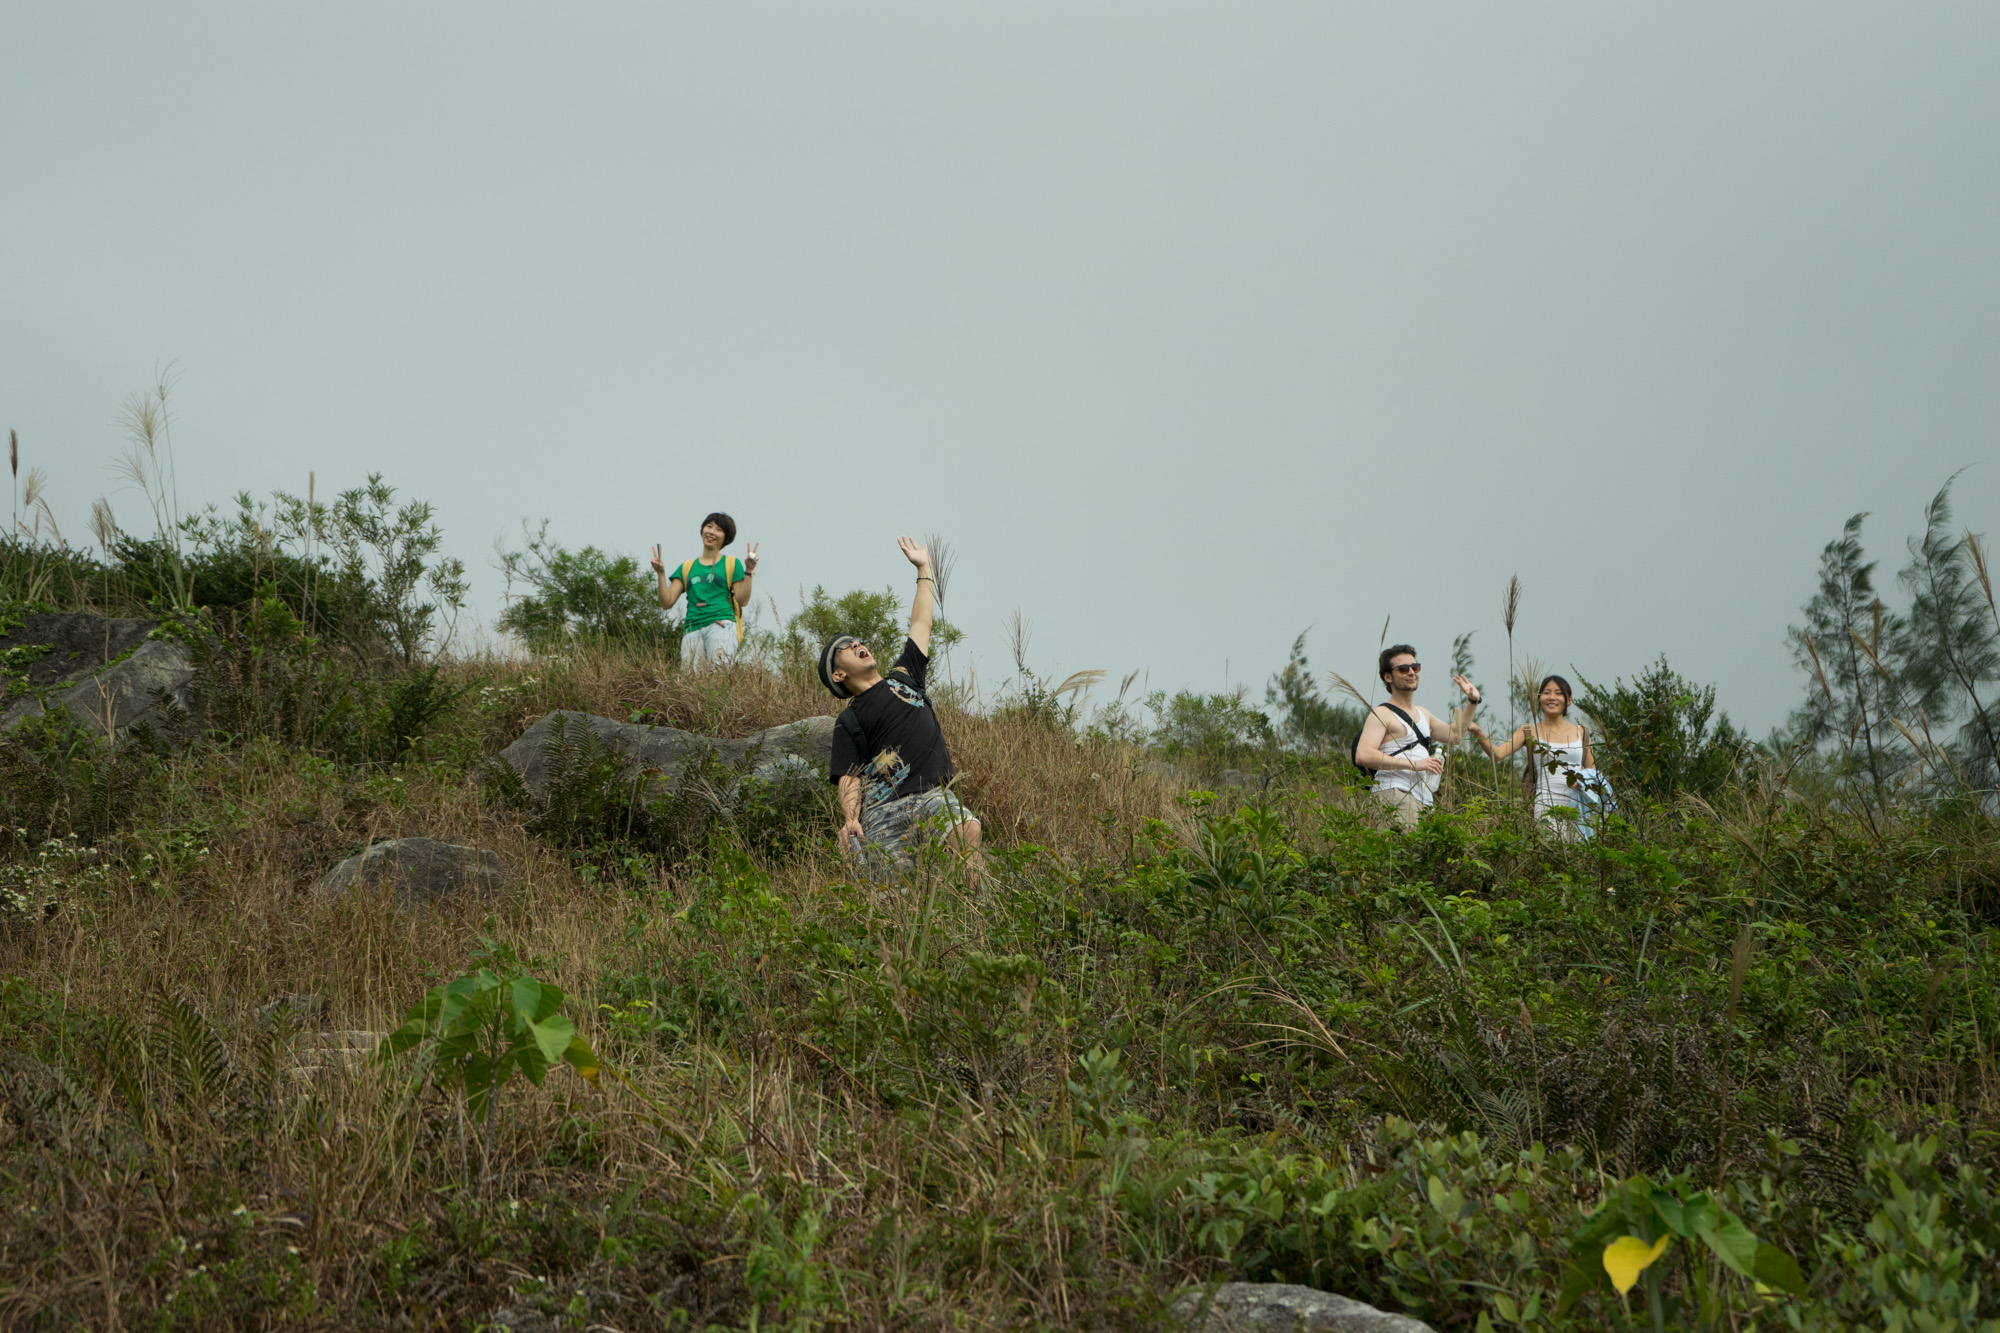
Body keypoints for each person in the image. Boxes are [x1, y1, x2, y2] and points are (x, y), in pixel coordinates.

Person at [818, 536, 982, 884]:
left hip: (933, 795)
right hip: (883, 811)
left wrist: (924, 570)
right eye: (845, 646)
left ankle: (976, 908)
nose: (857, 643)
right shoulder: (849, 720)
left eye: (857, 640)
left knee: (966, 830)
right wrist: (851, 819)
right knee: (894, 894)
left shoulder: (905, 676)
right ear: (838, 675)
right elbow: (849, 776)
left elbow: (920, 624)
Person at [1353, 644, 1482, 830]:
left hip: (1424, 799)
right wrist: (1415, 764)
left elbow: (1455, 735)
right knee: (1400, 848)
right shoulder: (1381, 714)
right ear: (1388, 677)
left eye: (1415, 667)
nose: (1411, 672)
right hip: (1394, 793)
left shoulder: (1423, 713)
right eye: (1403, 669)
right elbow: (1363, 755)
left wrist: (1473, 701)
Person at [1469, 674, 1595, 838]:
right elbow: (1497, 754)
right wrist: (1478, 732)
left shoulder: (1582, 732)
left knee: (1580, 851)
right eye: (1546, 692)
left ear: (1569, 700)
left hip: (1579, 807)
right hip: (1546, 808)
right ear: (1539, 698)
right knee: (1550, 851)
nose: (1552, 697)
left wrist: (1583, 783)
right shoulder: (1529, 731)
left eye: (1558, 693)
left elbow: (1593, 773)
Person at [650, 513, 759, 671]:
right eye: (709, 526)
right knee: (690, 680)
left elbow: (743, 600)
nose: (712, 532)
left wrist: (749, 570)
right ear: (702, 530)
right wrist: (660, 573)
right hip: (692, 630)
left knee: (719, 674)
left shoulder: (731, 563)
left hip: (721, 626)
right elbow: (666, 602)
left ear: (726, 537)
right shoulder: (686, 567)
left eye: (719, 529)